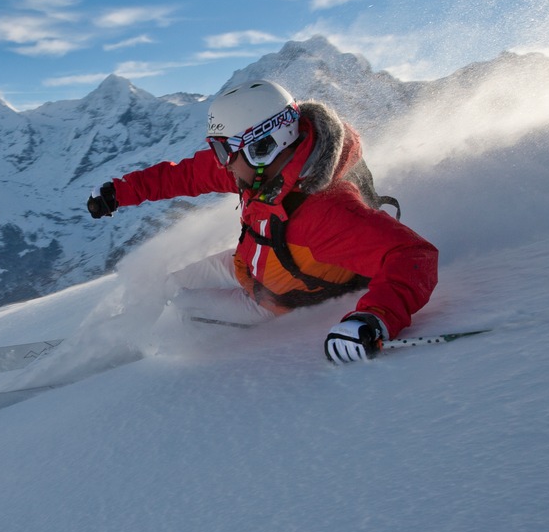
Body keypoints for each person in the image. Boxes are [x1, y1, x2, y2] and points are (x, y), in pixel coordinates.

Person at [86, 79, 438, 364]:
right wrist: (120, 191)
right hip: (251, 265)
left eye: (224, 151)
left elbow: (413, 255)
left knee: (179, 315)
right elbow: (188, 175)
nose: (220, 161)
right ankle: (124, 333)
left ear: (264, 146)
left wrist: (374, 318)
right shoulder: (259, 171)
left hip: (275, 301)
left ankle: (121, 361)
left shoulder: (323, 212)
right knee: (164, 286)